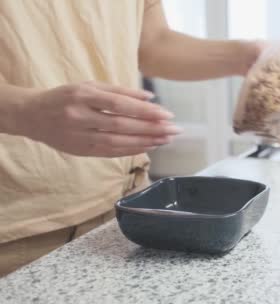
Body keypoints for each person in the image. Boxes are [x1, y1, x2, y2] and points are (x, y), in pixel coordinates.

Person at [0, 0, 262, 276]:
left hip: (129, 207)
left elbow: (152, 42)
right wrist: (25, 111)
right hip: (19, 229)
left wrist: (244, 56)